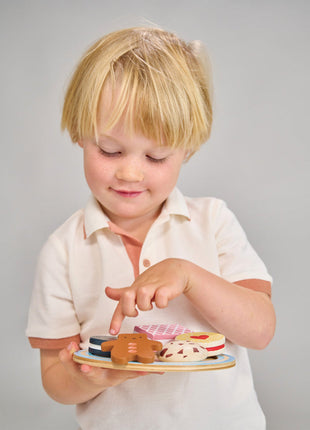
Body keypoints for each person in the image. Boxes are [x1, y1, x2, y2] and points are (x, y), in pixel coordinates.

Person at [26, 27, 276, 429]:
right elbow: (54, 381)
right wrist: (87, 377)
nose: (129, 172)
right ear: (79, 134)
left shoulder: (212, 221)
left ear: (187, 150)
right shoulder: (63, 249)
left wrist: (189, 275)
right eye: (109, 150)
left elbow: (261, 330)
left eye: (156, 156)